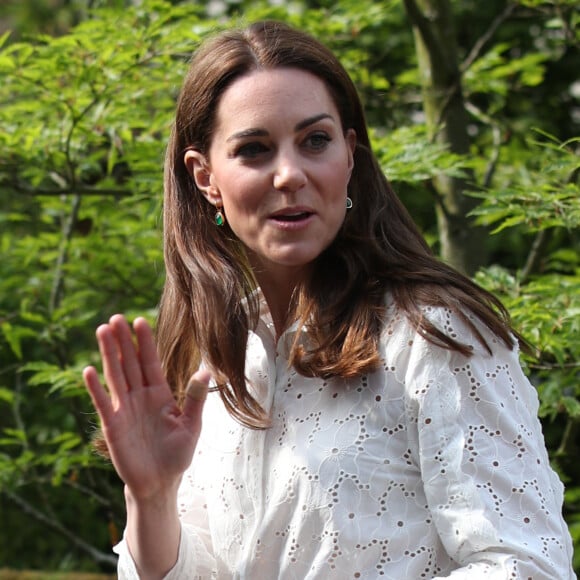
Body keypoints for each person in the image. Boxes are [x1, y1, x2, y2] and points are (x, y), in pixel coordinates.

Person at [82, 20, 576, 580]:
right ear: (205, 177)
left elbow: (526, 565)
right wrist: (151, 497)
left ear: (350, 154)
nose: (289, 174)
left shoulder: (436, 335)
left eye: (315, 140)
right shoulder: (214, 357)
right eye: (254, 149)